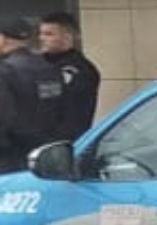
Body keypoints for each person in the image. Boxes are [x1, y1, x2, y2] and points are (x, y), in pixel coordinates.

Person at [0, 17, 66, 173]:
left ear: (2, 39)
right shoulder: (50, 68)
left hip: (11, 156)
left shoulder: (5, 70)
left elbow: (6, 118)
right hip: (47, 151)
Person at [38, 11, 101, 140]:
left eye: (49, 34)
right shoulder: (37, 63)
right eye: (41, 34)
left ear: (67, 36)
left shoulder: (81, 70)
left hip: (64, 140)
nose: (42, 38)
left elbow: (72, 111)